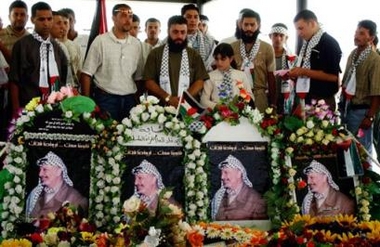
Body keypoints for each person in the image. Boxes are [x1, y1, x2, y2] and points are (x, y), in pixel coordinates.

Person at [80, 4, 144, 121]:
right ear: (113, 18)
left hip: (130, 99)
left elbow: (138, 78)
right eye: (123, 15)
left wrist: (138, 101)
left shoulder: (137, 44)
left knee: (129, 137)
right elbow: (86, 74)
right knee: (107, 136)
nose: (128, 20)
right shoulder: (100, 41)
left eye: (130, 16)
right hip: (106, 99)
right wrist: (88, 103)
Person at [8, 1, 67, 118]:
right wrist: (16, 111)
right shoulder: (22, 45)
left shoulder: (56, 47)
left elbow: (62, 79)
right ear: (32, 20)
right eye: (41, 19)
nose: (46, 23)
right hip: (28, 107)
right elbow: (14, 81)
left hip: (54, 107)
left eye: (49, 19)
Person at [143, 15, 209, 108]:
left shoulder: (194, 55)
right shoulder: (156, 53)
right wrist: (168, 98)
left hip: (187, 107)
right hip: (160, 108)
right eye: (175, 32)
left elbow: (200, 81)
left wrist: (183, 99)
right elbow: (148, 81)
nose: (179, 36)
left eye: (183, 32)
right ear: (168, 32)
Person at [340, 20, 380, 156]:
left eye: (362, 33)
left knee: (362, 151)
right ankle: (351, 178)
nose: (356, 36)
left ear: (371, 38)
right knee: (348, 148)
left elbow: (377, 92)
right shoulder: (353, 54)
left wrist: (369, 117)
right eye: (356, 32)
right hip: (347, 108)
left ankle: (365, 178)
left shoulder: (375, 59)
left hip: (361, 111)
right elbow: (345, 81)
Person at [288, 9, 342, 112]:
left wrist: (304, 72)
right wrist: (294, 74)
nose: (299, 33)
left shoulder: (328, 43)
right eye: (297, 29)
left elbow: (333, 77)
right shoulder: (307, 44)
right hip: (305, 97)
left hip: (322, 101)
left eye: (301, 28)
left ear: (312, 23)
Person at [231, 9, 276, 112]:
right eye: (246, 25)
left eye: (252, 25)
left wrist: (273, 103)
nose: (249, 28)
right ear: (240, 25)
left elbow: (271, 78)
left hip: (260, 98)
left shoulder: (267, 48)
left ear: (258, 26)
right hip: (237, 97)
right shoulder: (232, 47)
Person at [26, 151, 88, 218]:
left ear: (58, 172)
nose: (40, 174)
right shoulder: (35, 194)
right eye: (40, 170)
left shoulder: (76, 200)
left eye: (45, 169)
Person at [211, 155, 267, 221]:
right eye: (222, 173)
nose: (222, 177)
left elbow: (260, 228)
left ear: (239, 174)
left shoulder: (256, 200)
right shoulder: (218, 196)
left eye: (226, 172)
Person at [200, 43, 252, 109]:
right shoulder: (210, 76)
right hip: (216, 115)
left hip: (239, 114)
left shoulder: (241, 75)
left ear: (231, 59)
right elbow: (203, 101)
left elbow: (249, 96)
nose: (219, 62)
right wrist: (218, 107)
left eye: (223, 59)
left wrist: (239, 106)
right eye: (216, 59)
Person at [50, 11, 81, 89]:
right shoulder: (52, 45)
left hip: (72, 87)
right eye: (59, 23)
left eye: (65, 23)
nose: (63, 27)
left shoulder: (75, 45)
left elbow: (79, 70)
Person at [269, 23, 295, 114]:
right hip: (268, 97)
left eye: (281, 35)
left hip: (286, 98)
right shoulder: (264, 55)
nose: (278, 38)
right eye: (275, 35)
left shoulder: (292, 57)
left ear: (286, 38)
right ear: (270, 36)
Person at [181, 4, 216, 71]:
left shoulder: (210, 41)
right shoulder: (173, 39)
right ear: (182, 19)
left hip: (204, 77)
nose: (193, 20)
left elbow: (214, 63)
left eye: (196, 17)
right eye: (189, 17)